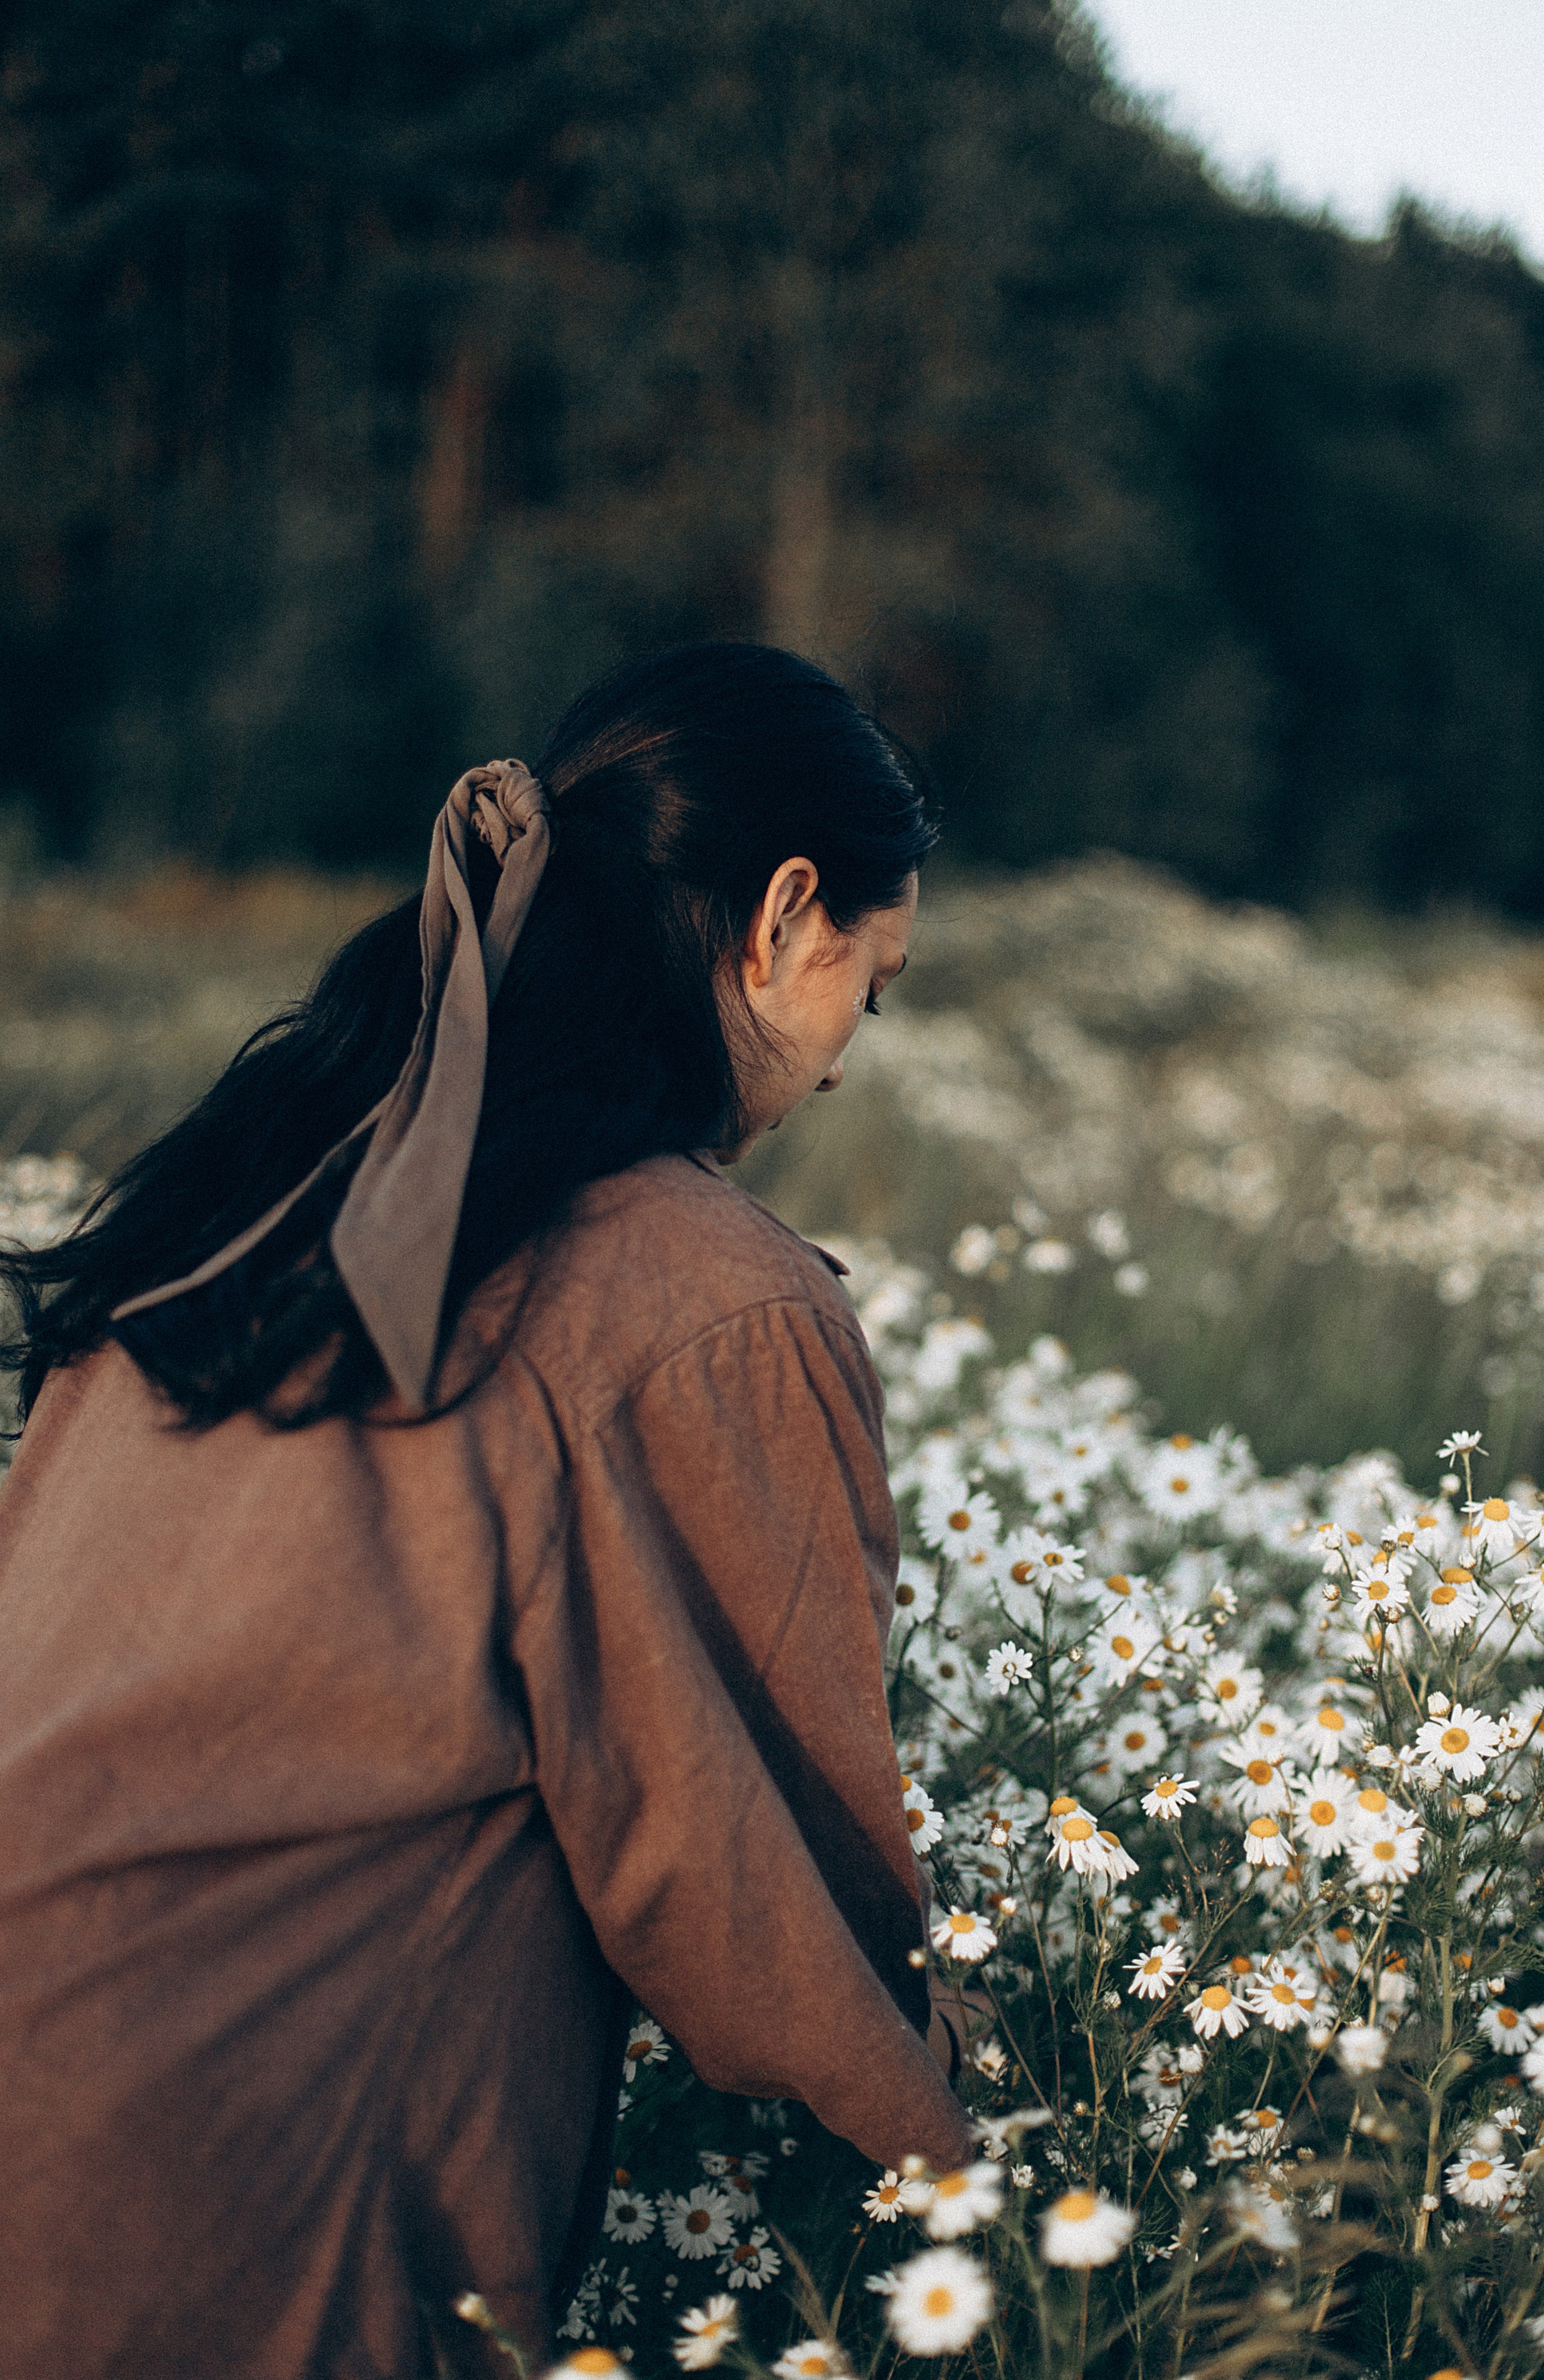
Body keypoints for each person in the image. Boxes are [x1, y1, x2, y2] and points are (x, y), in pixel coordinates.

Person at [0, 642, 975, 2379]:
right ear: (779, 915)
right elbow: (757, 1884)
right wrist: (1007, 2180)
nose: (840, 1065)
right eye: (870, 989)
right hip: (245, 2199)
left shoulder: (256, 1188)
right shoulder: (707, 1298)